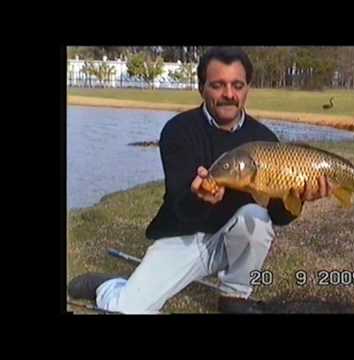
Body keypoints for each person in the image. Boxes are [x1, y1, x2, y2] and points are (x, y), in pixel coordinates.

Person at [68, 47, 333, 314]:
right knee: (128, 309)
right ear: (201, 87)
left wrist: (296, 199)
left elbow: (276, 216)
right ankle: (109, 287)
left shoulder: (262, 138)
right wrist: (199, 198)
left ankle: (235, 295)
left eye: (237, 85)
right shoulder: (178, 131)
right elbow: (179, 204)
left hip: (232, 238)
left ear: (247, 89)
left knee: (257, 218)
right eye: (218, 85)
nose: (229, 94)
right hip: (184, 238)